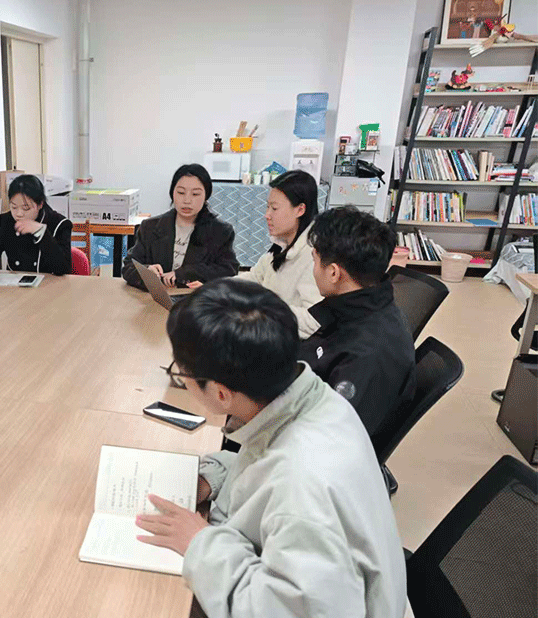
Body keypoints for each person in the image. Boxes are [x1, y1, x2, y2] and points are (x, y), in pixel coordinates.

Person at [134, 278, 406, 618]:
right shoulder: (310, 399)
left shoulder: (302, 488)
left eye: (182, 373)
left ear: (221, 393)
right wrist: (215, 478)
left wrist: (199, 544)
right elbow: (266, 466)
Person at [300, 206, 416, 437]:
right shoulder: (359, 308)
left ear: (334, 273)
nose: (313, 270)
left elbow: (327, 439)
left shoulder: (365, 355)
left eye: (315, 261)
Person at [122, 163, 238, 290]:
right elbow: (129, 266)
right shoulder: (150, 227)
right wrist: (147, 271)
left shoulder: (221, 232)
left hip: (196, 299)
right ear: (172, 193)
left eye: (195, 194)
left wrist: (187, 273)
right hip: (154, 299)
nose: (187, 200)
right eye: (181, 192)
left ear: (206, 196)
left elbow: (229, 270)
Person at [238, 169, 322, 338]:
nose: (267, 215)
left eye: (274, 208)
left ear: (300, 210)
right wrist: (216, 288)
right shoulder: (282, 244)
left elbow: (314, 321)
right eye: (267, 207)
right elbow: (255, 278)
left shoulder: (314, 257)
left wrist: (263, 309)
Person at [0, 174, 72, 282]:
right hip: (14, 286)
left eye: (26, 208)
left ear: (40, 204)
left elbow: (63, 268)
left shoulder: (59, 224)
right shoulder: (5, 222)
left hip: (49, 286)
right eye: (14, 207)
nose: (19, 214)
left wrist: (42, 233)